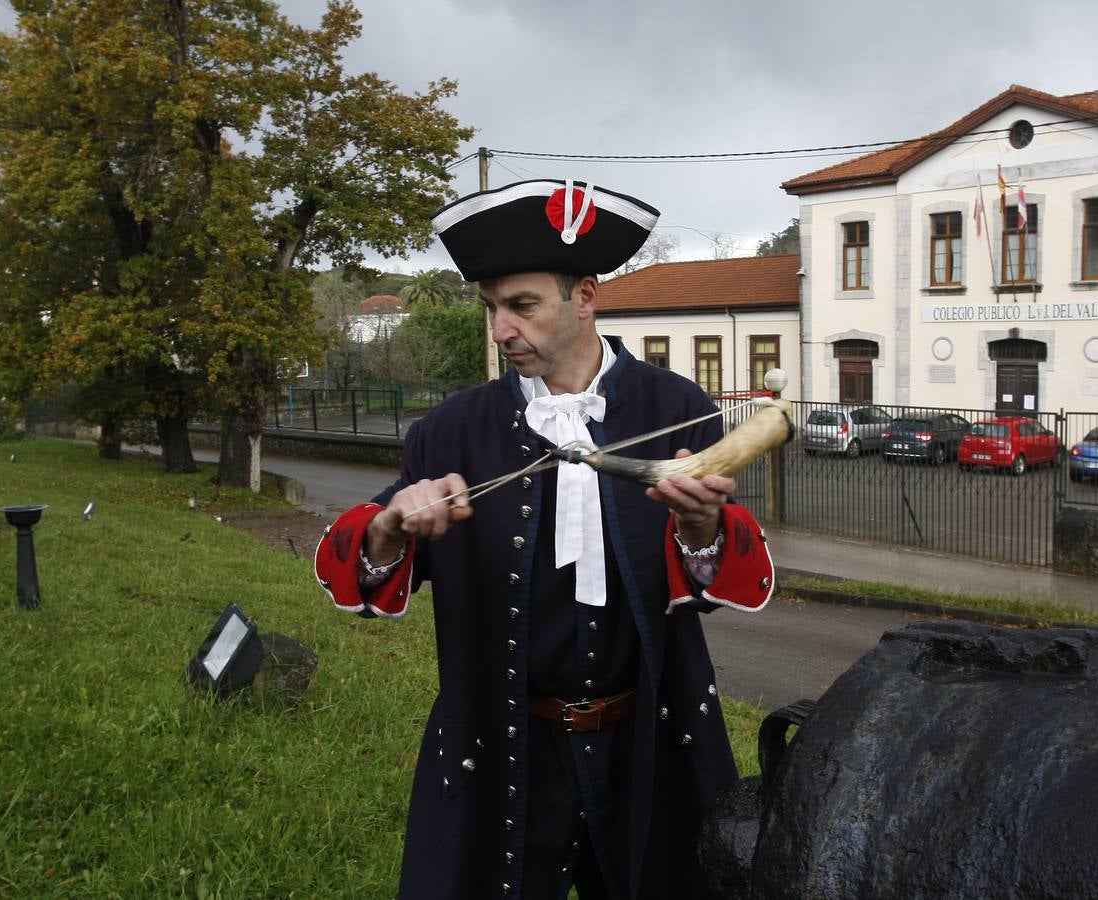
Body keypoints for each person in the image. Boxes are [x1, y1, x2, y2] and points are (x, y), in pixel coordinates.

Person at [314, 179, 775, 899]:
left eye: (522, 306)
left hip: (645, 743)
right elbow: (366, 567)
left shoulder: (678, 408)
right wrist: (387, 525)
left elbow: (720, 584)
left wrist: (701, 524)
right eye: (493, 308)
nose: (502, 330)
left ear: (584, 297)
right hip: (502, 749)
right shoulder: (450, 431)